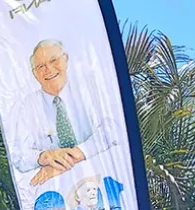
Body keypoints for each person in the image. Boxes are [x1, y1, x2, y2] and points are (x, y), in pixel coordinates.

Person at [12, 39, 117, 186]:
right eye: (41, 66)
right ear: (35, 74)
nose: (48, 69)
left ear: (66, 60)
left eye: (54, 60)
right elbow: (19, 156)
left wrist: (72, 157)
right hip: (58, 190)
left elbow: (112, 129)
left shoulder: (90, 88)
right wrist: (44, 157)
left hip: (104, 178)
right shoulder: (28, 106)